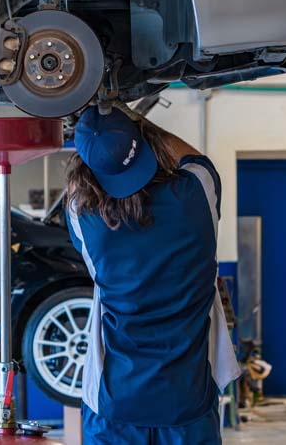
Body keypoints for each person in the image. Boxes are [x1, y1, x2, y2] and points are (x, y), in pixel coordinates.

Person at [64, 105, 240, 444]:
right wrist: (132, 119)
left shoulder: (85, 220)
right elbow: (194, 158)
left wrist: (93, 139)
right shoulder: (196, 196)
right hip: (187, 405)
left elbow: (74, 189)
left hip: (115, 407)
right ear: (145, 147)